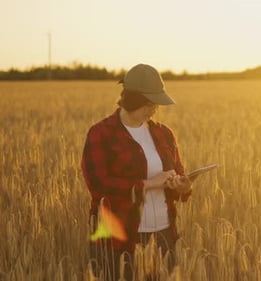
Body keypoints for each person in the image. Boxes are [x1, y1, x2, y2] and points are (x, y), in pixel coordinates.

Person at [81, 63, 192, 280]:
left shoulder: (164, 134)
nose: (154, 110)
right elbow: (98, 184)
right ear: (132, 100)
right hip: (120, 238)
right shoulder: (101, 134)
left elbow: (178, 174)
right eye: (149, 104)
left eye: (156, 105)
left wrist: (183, 186)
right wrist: (149, 184)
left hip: (163, 235)